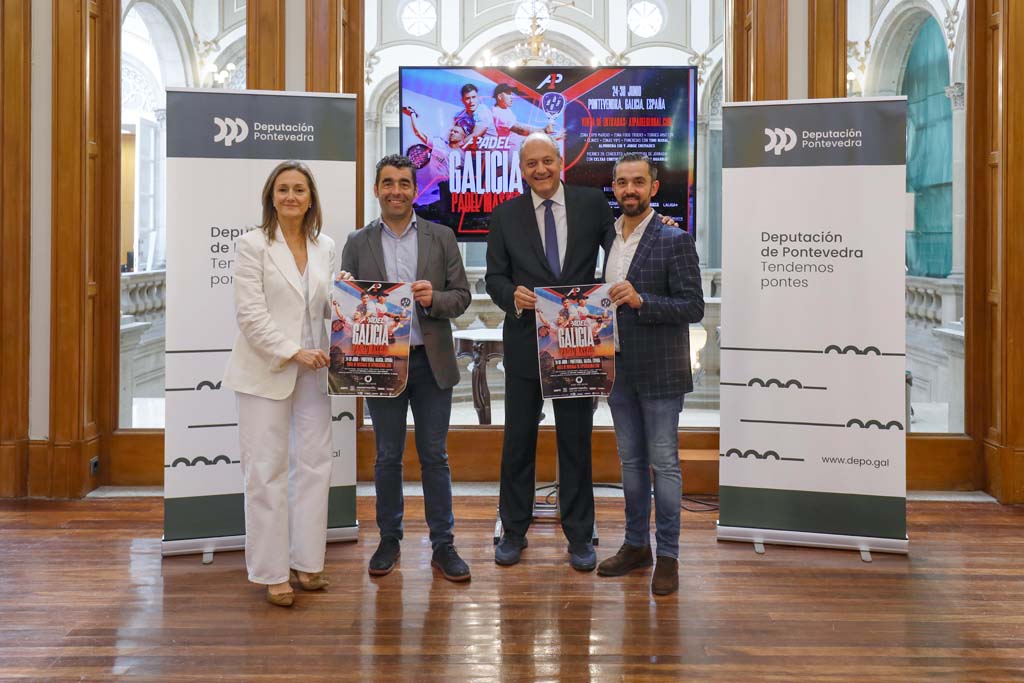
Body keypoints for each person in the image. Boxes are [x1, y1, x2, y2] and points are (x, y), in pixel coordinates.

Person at [485, 132, 615, 571]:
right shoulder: (504, 216)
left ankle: (579, 536)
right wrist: (512, 296)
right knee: (517, 442)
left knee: (575, 441)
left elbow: (620, 254)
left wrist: (661, 226)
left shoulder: (592, 204)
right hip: (525, 344)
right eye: (530, 164)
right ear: (521, 170)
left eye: (546, 161)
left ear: (561, 162)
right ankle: (514, 531)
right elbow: (494, 279)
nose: (539, 170)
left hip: (579, 346)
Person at [340, 154, 472, 582]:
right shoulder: (357, 242)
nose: (396, 190)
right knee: (387, 456)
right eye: (388, 183)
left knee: (435, 456)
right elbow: (349, 306)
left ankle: (443, 544)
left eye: (404, 183)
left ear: (416, 191)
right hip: (382, 365)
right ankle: (389, 539)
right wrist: (346, 297)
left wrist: (435, 297)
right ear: (376, 189)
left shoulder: (442, 237)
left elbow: (462, 298)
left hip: (431, 364)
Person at [222, 160, 335, 607]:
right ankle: (272, 572)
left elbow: (326, 306)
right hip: (265, 371)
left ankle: (307, 563)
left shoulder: (325, 246)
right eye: (283, 189)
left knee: (315, 466)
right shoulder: (253, 245)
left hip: (317, 370)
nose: (291, 196)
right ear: (271, 196)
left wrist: (348, 299)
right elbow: (250, 315)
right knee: (265, 471)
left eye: (300, 190)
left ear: (311, 199)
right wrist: (292, 351)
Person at [596, 153, 704, 596]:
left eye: (638, 182)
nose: (629, 190)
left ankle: (670, 555)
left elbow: (693, 307)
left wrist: (643, 302)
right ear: (614, 188)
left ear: (653, 188)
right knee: (631, 465)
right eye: (622, 182)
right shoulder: (609, 238)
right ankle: (636, 545)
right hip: (617, 369)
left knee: (665, 465)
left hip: (661, 372)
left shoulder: (674, 239)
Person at [454, 83, 497, 150]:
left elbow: (475, 135)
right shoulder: (460, 115)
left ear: (478, 97)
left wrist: (455, 146)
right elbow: (452, 131)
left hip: (489, 154)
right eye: (468, 98)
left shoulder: (483, 111)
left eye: (474, 97)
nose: (471, 101)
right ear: (462, 100)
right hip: (472, 154)